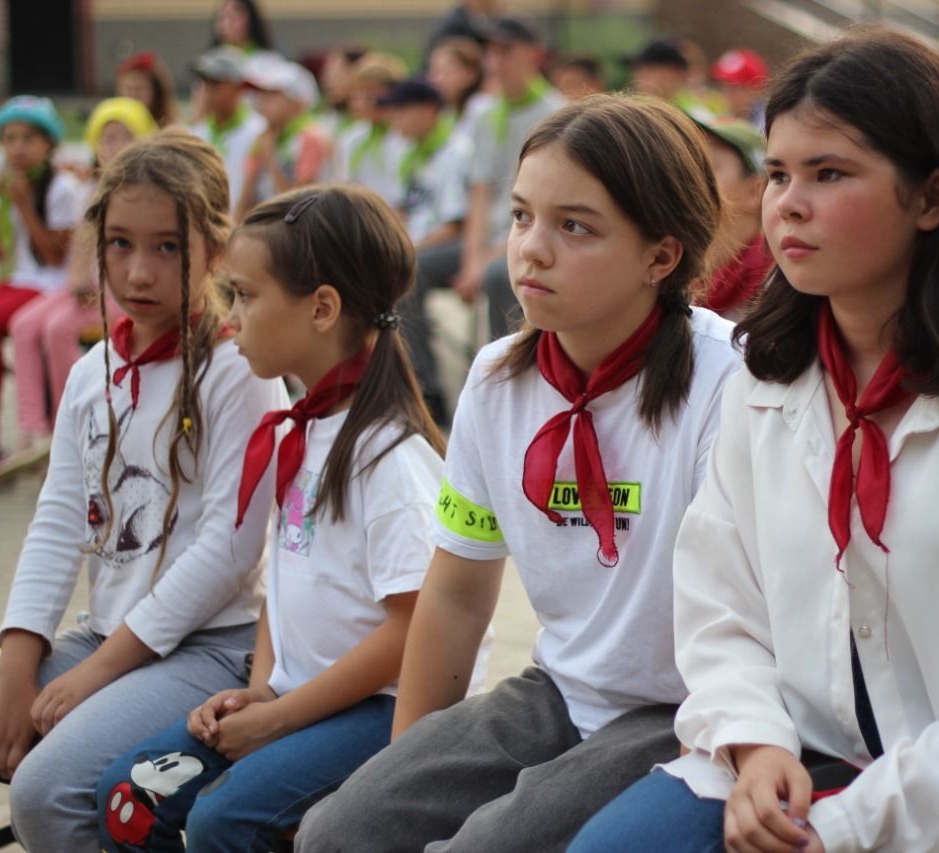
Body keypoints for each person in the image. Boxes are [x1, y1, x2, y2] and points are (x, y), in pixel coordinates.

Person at [571, 28, 939, 853]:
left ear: (932, 198)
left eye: (829, 173)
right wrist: (755, 741)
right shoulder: (765, 381)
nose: (786, 204)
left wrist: (851, 822)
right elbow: (718, 600)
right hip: (798, 757)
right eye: (776, 174)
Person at [295, 93, 742, 853]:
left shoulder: (726, 382)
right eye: (520, 216)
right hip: (561, 691)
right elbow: (458, 593)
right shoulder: (498, 379)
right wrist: (404, 764)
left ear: (660, 256)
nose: (531, 250)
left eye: (575, 227)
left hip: (680, 711)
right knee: (340, 830)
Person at [94, 185, 478, 851]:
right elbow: (285, 572)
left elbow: (414, 624)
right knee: (130, 797)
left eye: (245, 294)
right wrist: (262, 687)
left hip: (376, 710)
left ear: (322, 308)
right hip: (296, 694)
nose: (231, 317)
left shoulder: (388, 457)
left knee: (224, 821)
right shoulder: (304, 429)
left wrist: (280, 718)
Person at [0, 129, 285, 851]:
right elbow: (57, 523)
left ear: (216, 248)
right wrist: (18, 671)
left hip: (211, 646)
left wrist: (94, 677)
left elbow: (230, 551)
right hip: (102, 633)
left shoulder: (241, 369)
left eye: (167, 247)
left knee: (47, 793)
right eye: (118, 244)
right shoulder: (92, 371)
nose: (139, 270)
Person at [401, 17, 565, 424]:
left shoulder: (556, 113)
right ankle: (429, 390)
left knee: (497, 276)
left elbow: (546, 205)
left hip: (531, 232)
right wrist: (471, 258)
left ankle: (508, 389)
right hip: (485, 237)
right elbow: (478, 193)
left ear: (533, 55)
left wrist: (486, 261)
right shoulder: (482, 111)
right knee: (410, 268)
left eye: (506, 51)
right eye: (490, 51)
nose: (496, 61)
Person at [0, 97, 156, 480]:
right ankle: (35, 429)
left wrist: (93, 286)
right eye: (105, 139)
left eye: (122, 138)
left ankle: (78, 425)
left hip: (124, 296)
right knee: (23, 324)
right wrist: (78, 282)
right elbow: (83, 246)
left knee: (57, 328)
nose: (112, 147)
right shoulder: (95, 189)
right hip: (87, 290)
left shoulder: (149, 191)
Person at [0, 96, 84, 474]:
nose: (16, 148)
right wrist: (4, 206)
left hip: (50, 285)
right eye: (8, 139)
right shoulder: (14, 185)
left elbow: (54, 257)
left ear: (48, 143)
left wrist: (23, 206)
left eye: (26, 139)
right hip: (19, 279)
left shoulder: (62, 187)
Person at [691, 112, 772, 320]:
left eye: (709, 167)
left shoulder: (777, 288)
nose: (691, 178)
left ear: (755, 191)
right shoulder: (673, 273)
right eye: (690, 165)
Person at [237, 56, 332, 218]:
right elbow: (245, 197)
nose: (262, 101)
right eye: (261, 94)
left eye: (273, 94)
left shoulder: (311, 137)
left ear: (298, 101)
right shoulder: (264, 137)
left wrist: (270, 158)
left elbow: (299, 203)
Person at [382, 79, 472, 250]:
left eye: (401, 110)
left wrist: (409, 250)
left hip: (440, 247)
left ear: (429, 111)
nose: (395, 119)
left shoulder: (456, 152)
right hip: (413, 242)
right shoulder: (408, 152)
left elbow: (453, 227)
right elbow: (401, 210)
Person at [189, 46, 269, 215]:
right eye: (206, 83)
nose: (208, 90)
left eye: (216, 83)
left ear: (238, 87)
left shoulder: (259, 131)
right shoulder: (195, 134)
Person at [334, 52, 408, 204]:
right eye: (357, 94)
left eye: (370, 95)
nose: (361, 102)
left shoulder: (406, 137)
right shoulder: (352, 137)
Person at [427, 36, 492, 144]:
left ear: (471, 74)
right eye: (434, 72)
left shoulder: (483, 109)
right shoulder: (446, 114)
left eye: (446, 72)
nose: (436, 80)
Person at [626, 38, 699, 109]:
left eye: (646, 69)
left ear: (672, 73)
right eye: (636, 70)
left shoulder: (693, 116)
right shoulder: (635, 111)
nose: (638, 77)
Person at [115, 52, 179, 128]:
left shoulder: (169, 127)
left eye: (139, 89)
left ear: (156, 92)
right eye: (128, 89)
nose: (133, 95)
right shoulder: (113, 124)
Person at [711, 47, 768, 127]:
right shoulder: (721, 113)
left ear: (753, 90)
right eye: (722, 86)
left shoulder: (766, 126)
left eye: (732, 88)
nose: (725, 94)